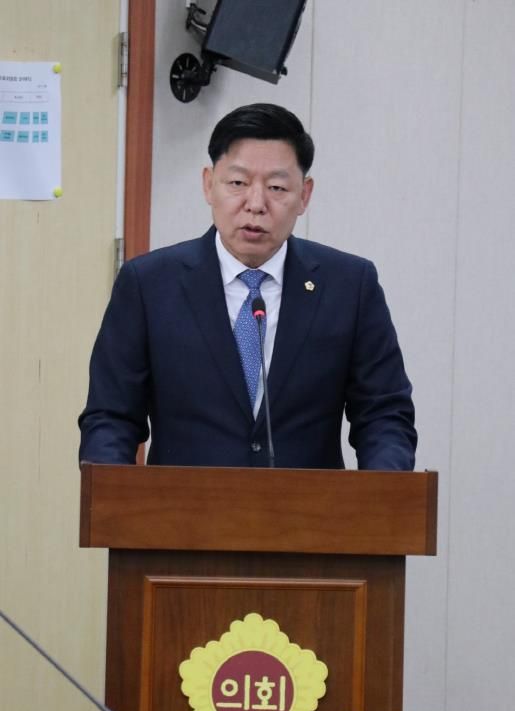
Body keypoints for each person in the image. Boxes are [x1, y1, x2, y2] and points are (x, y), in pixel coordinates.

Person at [79, 103, 416, 470]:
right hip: (181, 505)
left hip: (310, 506)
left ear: (304, 195)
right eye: (238, 183)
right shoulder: (148, 285)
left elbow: (384, 415)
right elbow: (111, 417)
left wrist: (382, 493)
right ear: (209, 184)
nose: (255, 205)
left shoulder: (349, 286)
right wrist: (112, 494)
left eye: (276, 187)